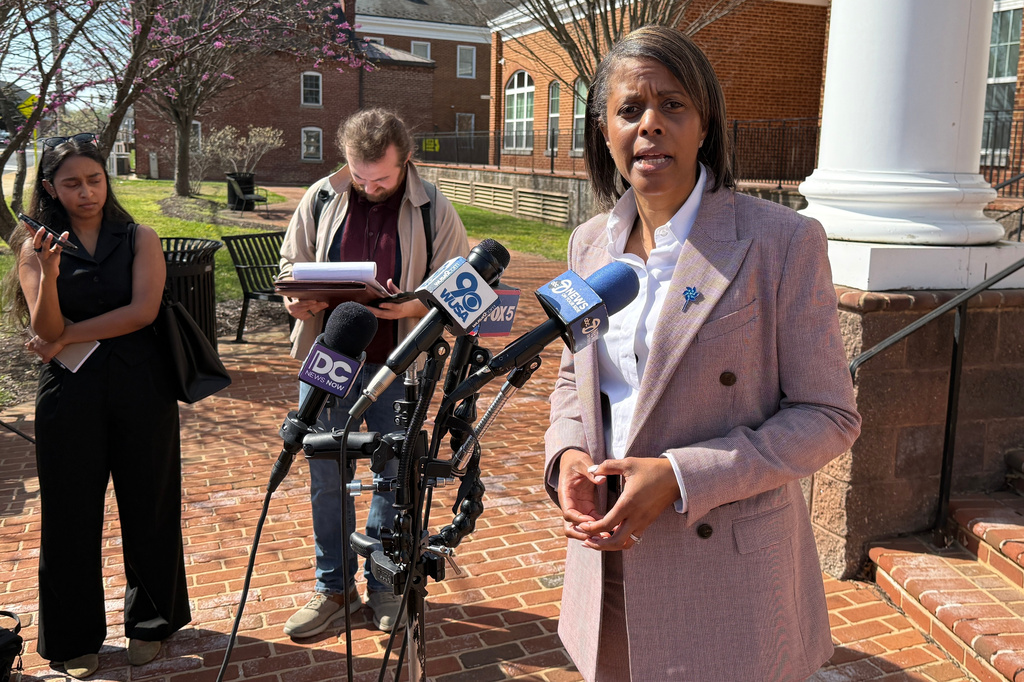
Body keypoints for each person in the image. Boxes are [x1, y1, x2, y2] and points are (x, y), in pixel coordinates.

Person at [543, 27, 862, 682]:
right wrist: (567, 457)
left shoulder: (781, 243)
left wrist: (683, 476)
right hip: (609, 559)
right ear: (604, 130)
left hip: (729, 577)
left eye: (673, 106)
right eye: (631, 109)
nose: (651, 124)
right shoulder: (586, 249)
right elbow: (575, 387)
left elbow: (829, 416)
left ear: (704, 121)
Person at [3, 134, 190, 679]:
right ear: (49, 189)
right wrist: (51, 278)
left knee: (149, 506)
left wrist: (66, 335)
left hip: (141, 390)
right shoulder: (33, 247)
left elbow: (141, 311)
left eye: (94, 180)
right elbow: (44, 327)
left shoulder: (139, 237)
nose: (86, 192)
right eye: (71, 183)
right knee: (68, 516)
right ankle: (72, 636)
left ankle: (152, 622)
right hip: (70, 395)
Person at [279, 108, 469, 637]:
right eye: (359, 177)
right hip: (331, 355)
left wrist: (412, 310)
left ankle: (385, 586)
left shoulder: (434, 208)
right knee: (325, 474)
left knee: (391, 474)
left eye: (381, 178)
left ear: (406, 160)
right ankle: (334, 590)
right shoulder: (321, 197)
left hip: (396, 364)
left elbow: (462, 290)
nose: (369, 186)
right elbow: (289, 265)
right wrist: (296, 297)